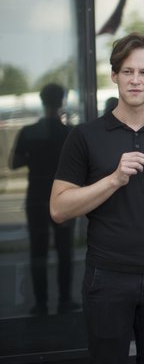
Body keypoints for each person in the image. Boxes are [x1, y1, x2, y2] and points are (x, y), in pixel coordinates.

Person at [50, 32, 144, 363]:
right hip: (108, 277)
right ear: (114, 76)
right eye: (127, 71)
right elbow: (58, 208)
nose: (135, 80)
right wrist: (113, 179)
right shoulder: (85, 136)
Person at [8, 83, 77, 316]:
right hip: (64, 196)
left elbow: (14, 162)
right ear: (62, 101)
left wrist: (33, 157)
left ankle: (40, 303)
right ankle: (65, 300)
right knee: (64, 250)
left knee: (38, 252)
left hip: (36, 197)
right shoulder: (69, 133)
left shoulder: (29, 132)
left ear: (41, 100)